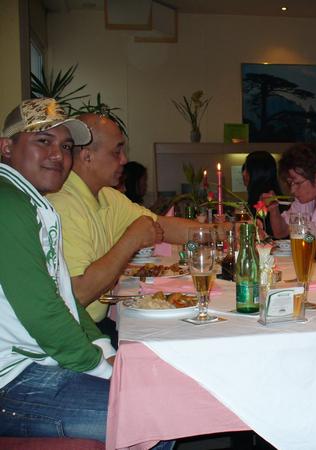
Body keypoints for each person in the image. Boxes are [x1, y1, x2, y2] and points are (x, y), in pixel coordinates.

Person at [0, 98, 114, 441]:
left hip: (33, 364)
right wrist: (101, 367)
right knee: (146, 414)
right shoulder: (7, 204)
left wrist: (105, 349)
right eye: (43, 140)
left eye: (65, 146)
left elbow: (61, 295)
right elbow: (42, 310)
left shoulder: (30, 202)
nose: (58, 155)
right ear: (7, 147)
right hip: (11, 380)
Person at [47, 114, 197, 342]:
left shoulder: (106, 195)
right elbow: (78, 294)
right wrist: (131, 240)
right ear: (87, 156)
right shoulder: (64, 204)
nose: (124, 159)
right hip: (76, 332)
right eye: (116, 152)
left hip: (95, 322)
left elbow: (163, 226)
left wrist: (225, 231)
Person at [242, 151, 284, 236]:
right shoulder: (277, 197)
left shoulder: (266, 199)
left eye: (246, 169)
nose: (243, 174)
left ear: (256, 173)